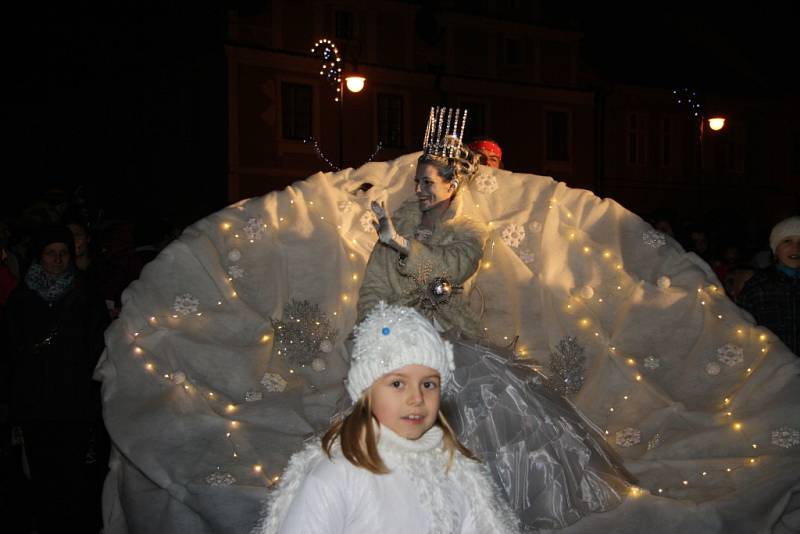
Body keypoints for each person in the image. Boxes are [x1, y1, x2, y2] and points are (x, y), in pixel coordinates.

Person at [359, 109, 632, 529]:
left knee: (481, 418)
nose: (419, 190)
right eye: (417, 182)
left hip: (450, 341)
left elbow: (453, 268)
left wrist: (402, 246)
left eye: (428, 182)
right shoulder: (397, 224)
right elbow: (373, 287)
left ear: (453, 185)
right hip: (400, 345)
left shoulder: (470, 230)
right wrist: (375, 332)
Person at [251, 303, 520, 534]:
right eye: (397, 384)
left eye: (428, 385)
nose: (417, 398)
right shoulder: (338, 474)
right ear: (366, 391)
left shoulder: (457, 471)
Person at [5, 224, 110, 533]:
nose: (58, 259)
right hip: (35, 400)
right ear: (40, 256)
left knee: (72, 469)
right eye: (51, 253)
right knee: (41, 468)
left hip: (73, 400)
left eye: (63, 253)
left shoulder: (85, 295)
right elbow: (11, 349)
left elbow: (97, 344)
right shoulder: (22, 298)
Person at [737, 215, 800, 354]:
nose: (795, 247)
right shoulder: (759, 286)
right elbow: (741, 327)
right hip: (773, 365)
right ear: (775, 249)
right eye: (787, 241)